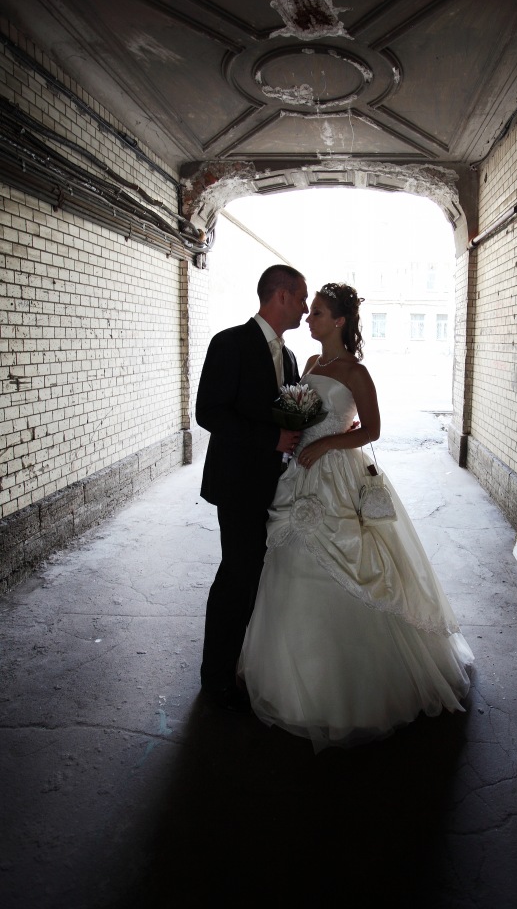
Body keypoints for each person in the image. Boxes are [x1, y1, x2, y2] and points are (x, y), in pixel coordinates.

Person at [240, 282, 473, 750]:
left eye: (318, 313)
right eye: (310, 311)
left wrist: (328, 442)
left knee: (348, 564)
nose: (309, 318)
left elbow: (373, 429)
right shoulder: (309, 363)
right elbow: (297, 413)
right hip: (300, 473)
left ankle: (351, 691)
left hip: (337, 476)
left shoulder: (356, 373)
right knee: (288, 565)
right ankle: (293, 680)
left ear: (340, 321)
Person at [196, 264, 308, 711]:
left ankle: (246, 663)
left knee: (260, 577)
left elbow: (287, 414)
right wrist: (270, 439)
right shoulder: (229, 343)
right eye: (301, 298)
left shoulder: (291, 357)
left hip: (276, 486)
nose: (305, 308)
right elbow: (208, 412)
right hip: (238, 483)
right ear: (280, 296)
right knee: (237, 576)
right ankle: (215, 678)